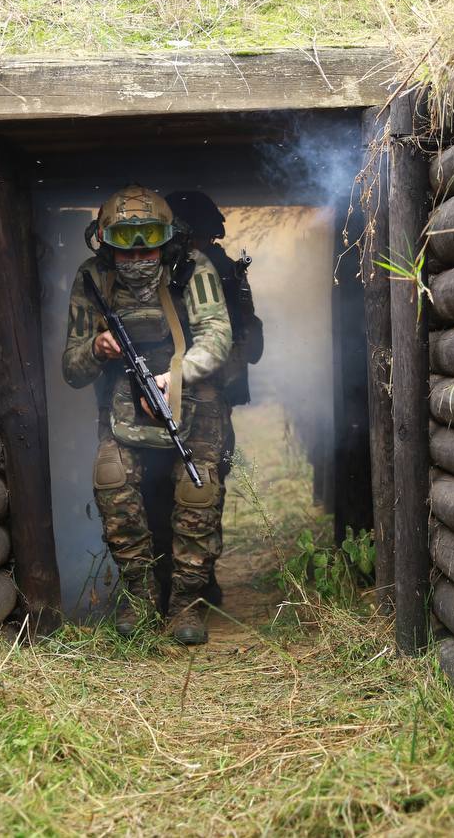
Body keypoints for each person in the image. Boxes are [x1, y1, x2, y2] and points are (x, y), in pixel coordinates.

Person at [62, 185, 232, 644]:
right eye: (126, 243)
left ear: (168, 238)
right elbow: (71, 369)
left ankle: (186, 605)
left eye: (149, 241)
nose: (138, 255)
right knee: (112, 483)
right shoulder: (93, 278)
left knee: (198, 495)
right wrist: (97, 348)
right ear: (104, 241)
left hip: (193, 398)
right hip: (123, 400)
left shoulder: (192, 268)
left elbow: (217, 337)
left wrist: (176, 375)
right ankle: (139, 597)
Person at [160, 191, 264, 607]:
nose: (203, 246)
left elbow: (250, 344)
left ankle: (198, 577)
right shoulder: (155, 267)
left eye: (205, 238)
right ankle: (172, 580)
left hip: (208, 395)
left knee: (203, 488)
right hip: (161, 391)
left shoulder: (220, 270)